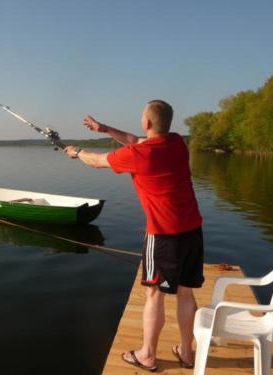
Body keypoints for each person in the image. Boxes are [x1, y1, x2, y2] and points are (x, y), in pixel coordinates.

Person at [63, 100, 204, 372]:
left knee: (154, 295)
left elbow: (97, 161)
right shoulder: (176, 143)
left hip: (163, 235)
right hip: (193, 230)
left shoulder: (140, 156)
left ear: (147, 122)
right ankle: (187, 353)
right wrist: (104, 129)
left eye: (142, 116)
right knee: (186, 293)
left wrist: (77, 151)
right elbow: (135, 139)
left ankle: (148, 355)